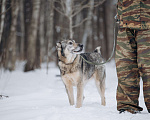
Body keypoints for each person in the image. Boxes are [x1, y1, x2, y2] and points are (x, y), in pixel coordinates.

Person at [115, 0, 150, 114]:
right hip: (125, 21)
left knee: (147, 67)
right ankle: (127, 106)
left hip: (147, 22)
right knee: (125, 67)